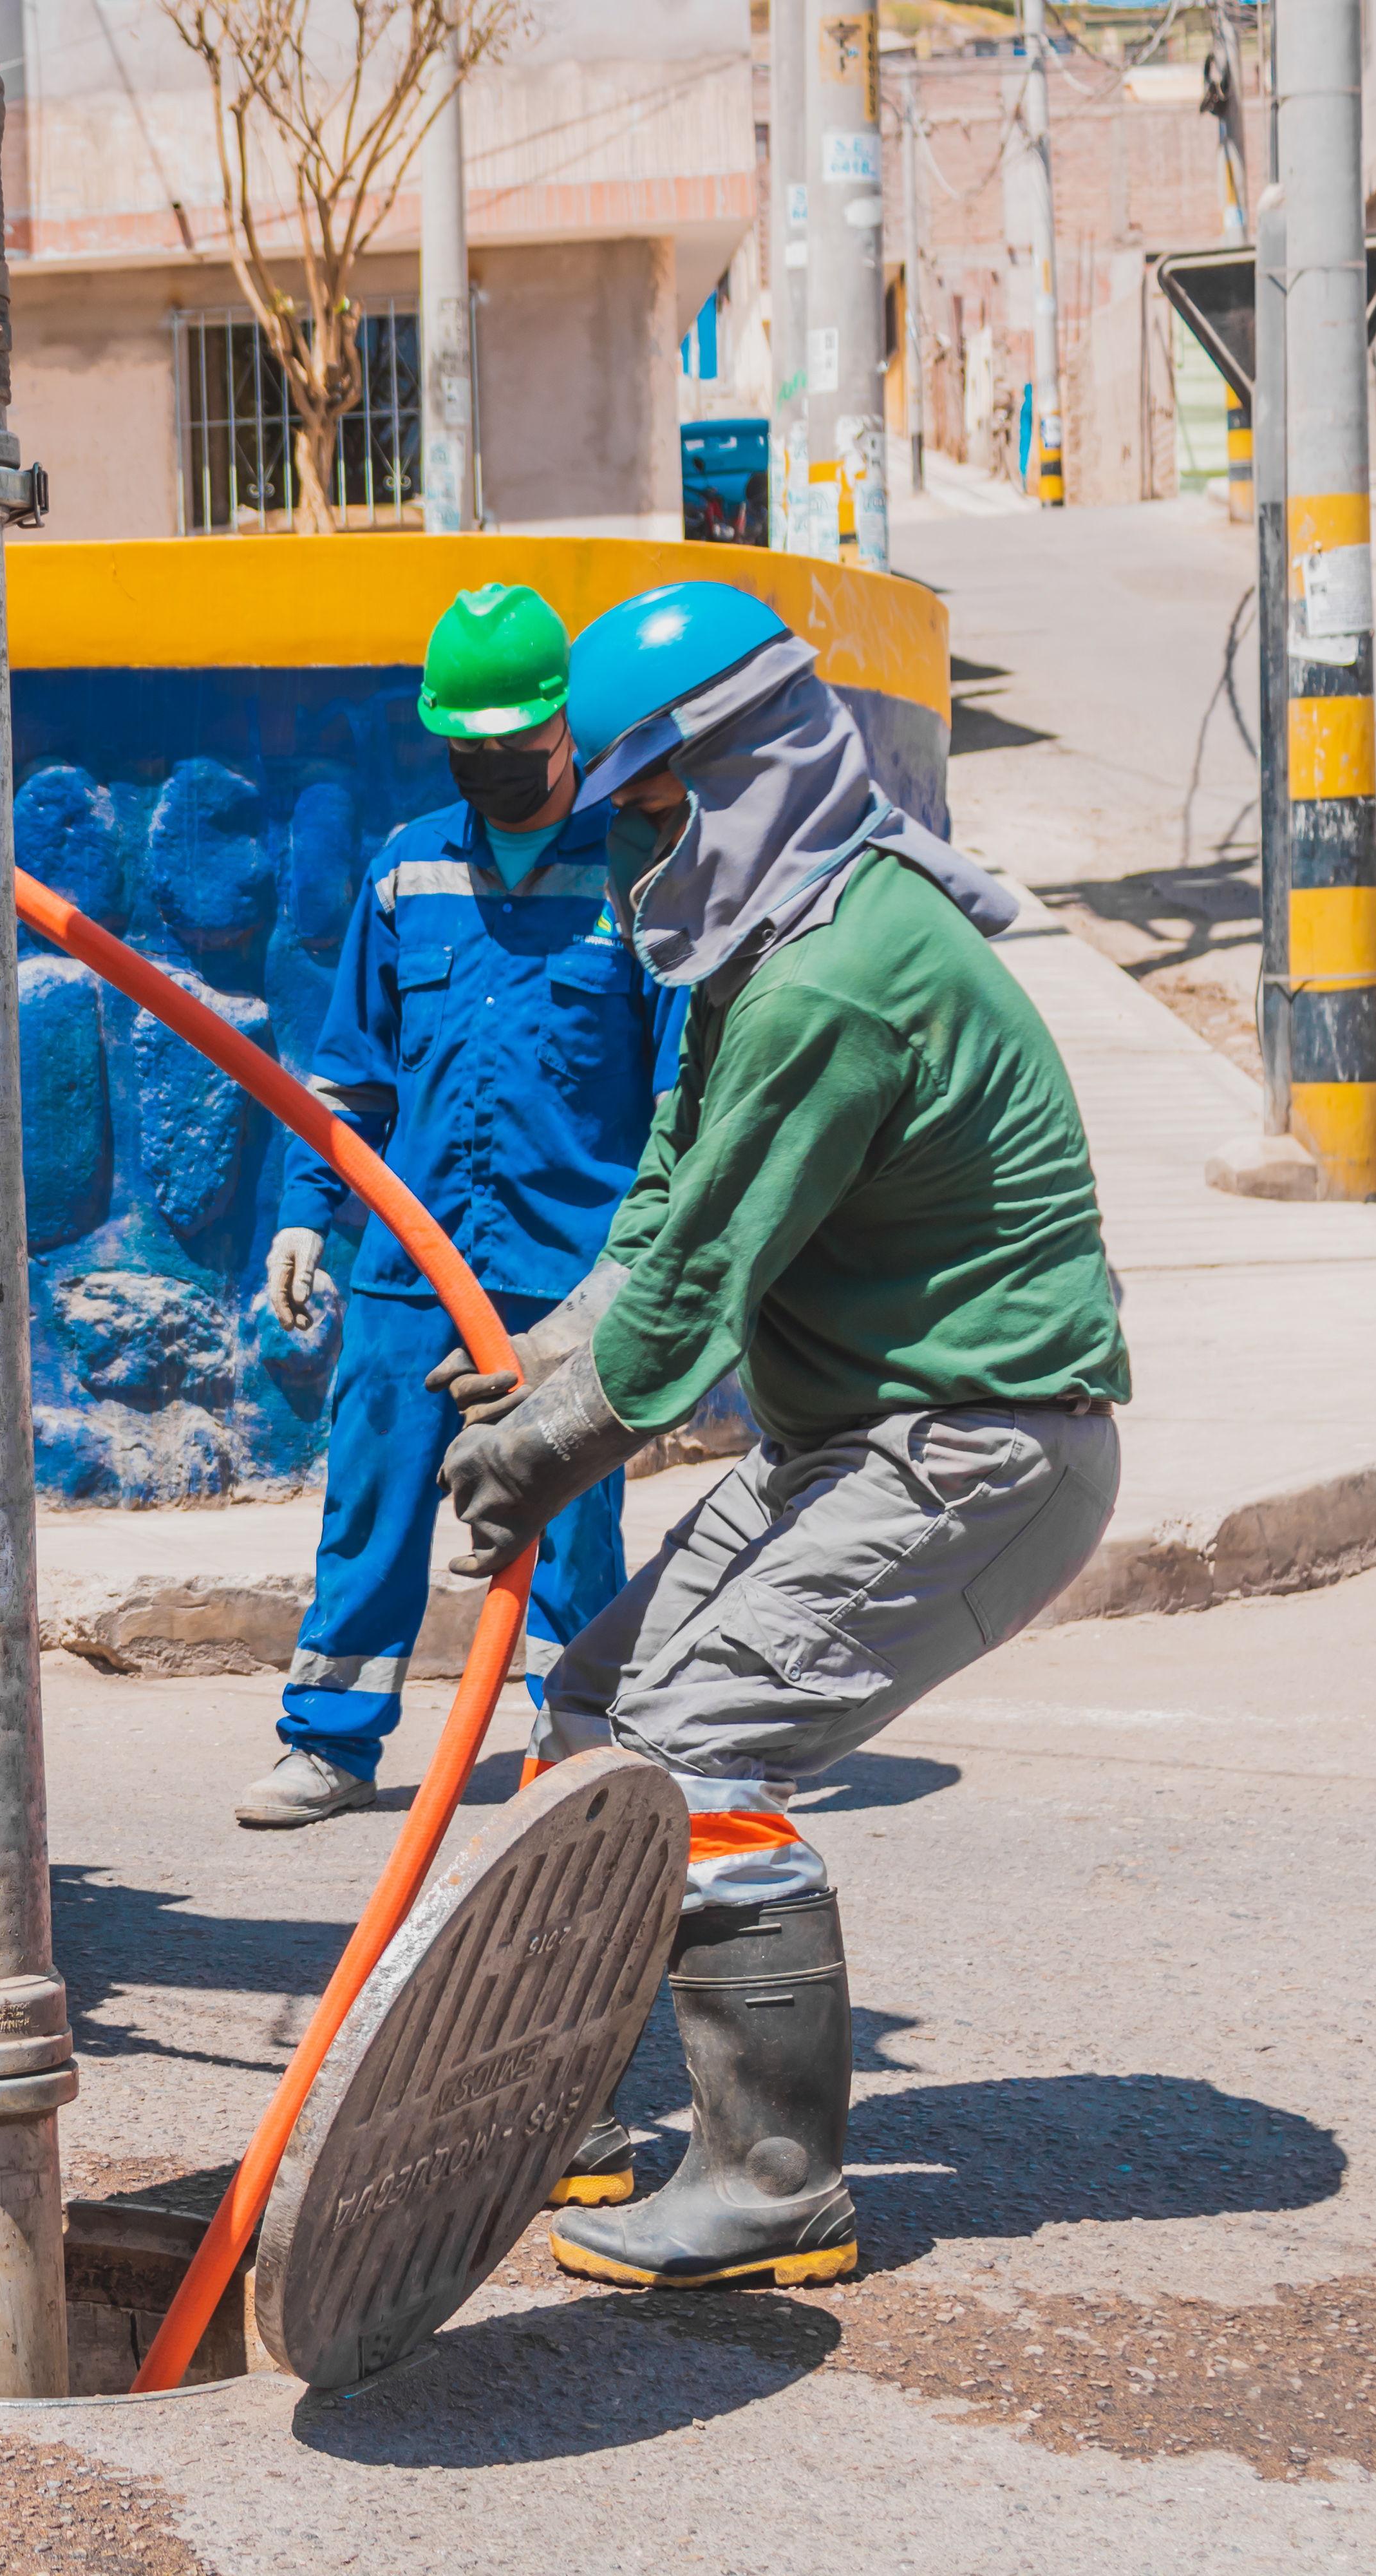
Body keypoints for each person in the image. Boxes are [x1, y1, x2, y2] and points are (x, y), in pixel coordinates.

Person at [431, 581, 1129, 2291]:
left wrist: (549, 1446)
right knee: (597, 1707)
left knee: (698, 1750)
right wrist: (547, 1358)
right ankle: (567, 2108)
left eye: (648, 805)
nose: (626, 846)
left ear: (739, 776)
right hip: (857, 1435)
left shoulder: (836, 977)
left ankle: (771, 2183)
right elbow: (663, 1219)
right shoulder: (766, 938)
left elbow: (693, 1303)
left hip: (980, 1445)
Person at [240, 585, 681, 1918]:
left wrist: (647, 1264)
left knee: (574, 1508)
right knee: (370, 1490)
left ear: (566, 729)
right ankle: (328, 1740)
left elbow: (675, 1092)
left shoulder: (635, 878)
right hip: (410, 1261)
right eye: (469, 747)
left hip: (564, 1261)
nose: (491, 769)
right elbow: (351, 1073)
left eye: (515, 745)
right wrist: (309, 1207)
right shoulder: (405, 868)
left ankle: (573, 1732)